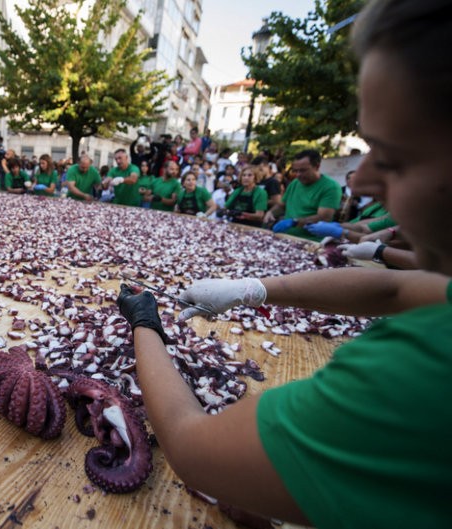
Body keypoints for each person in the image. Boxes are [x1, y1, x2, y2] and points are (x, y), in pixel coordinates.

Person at [116, 2, 452, 527]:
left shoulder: (423, 374)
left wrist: (143, 323)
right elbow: (398, 292)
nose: (359, 186)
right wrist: (253, 287)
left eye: (392, 157)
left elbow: (191, 448)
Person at [263, 149, 342, 240]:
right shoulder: (295, 183)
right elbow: (282, 205)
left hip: (311, 240)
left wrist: (294, 222)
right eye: (295, 171)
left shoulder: (330, 187)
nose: (298, 174)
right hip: (287, 237)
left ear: (317, 166)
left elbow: (324, 218)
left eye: (303, 170)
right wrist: (271, 212)